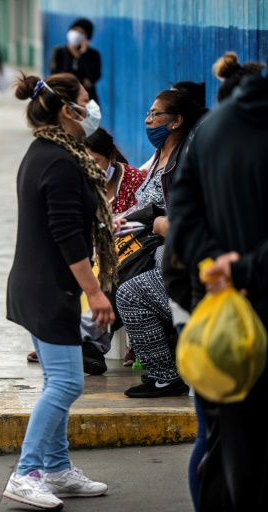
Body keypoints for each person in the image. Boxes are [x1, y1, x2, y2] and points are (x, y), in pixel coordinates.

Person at [2, 72, 115, 510]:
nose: (94, 108)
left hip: (38, 284)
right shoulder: (61, 161)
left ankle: (56, 468)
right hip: (48, 288)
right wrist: (97, 293)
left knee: (57, 379)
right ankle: (26, 472)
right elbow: (67, 236)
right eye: (89, 100)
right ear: (70, 110)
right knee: (67, 383)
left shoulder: (47, 152)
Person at [168, 64, 268, 512]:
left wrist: (219, 271)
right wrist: (245, 269)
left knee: (225, 445)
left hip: (223, 323)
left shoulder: (208, 134)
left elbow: (182, 223)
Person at [26, 126, 147, 372]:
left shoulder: (136, 182)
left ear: (112, 157)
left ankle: (82, 341)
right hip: (91, 257)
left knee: (109, 276)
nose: (88, 169)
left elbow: (146, 224)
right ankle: (68, 338)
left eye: (95, 162)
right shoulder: (77, 187)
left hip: (126, 256)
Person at [115, 89, 206, 398]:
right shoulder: (159, 157)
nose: (148, 120)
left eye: (155, 114)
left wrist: (151, 221)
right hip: (158, 249)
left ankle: (166, 376)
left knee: (129, 293)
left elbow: (185, 224)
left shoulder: (186, 161)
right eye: (148, 113)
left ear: (176, 121)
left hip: (182, 261)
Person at [49, 18, 102, 106]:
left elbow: (94, 76)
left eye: (82, 32)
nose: (77, 34)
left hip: (87, 101)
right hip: (63, 98)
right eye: (75, 30)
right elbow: (56, 74)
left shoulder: (93, 54)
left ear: (87, 38)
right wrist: (82, 81)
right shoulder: (59, 52)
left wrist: (84, 55)